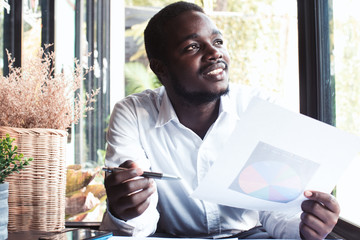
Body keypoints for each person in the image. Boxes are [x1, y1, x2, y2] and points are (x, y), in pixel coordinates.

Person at [100, 1, 340, 239]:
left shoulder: (260, 108)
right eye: (193, 47)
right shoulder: (133, 114)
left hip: (250, 236)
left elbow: (276, 214)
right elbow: (139, 228)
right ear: (160, 68)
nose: (215, 53)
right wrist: (126, 210)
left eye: (217, 42)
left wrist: (307, 227)